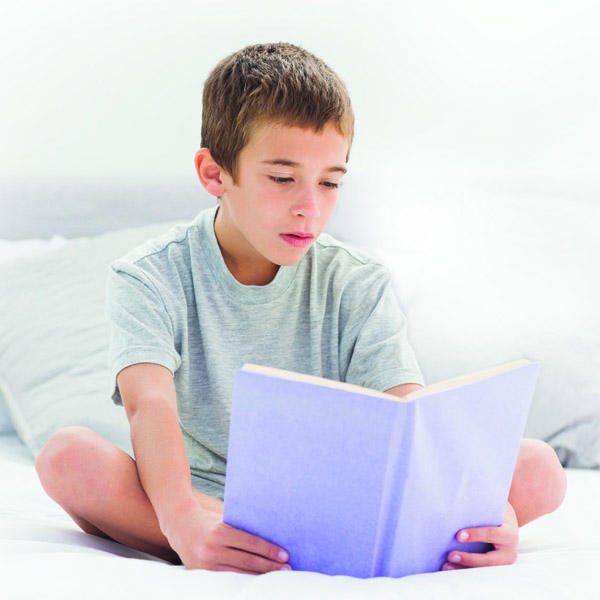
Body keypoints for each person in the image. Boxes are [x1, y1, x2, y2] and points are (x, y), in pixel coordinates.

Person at [35, 42, 566, 575]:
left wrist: (474, 504)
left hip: (338, 502)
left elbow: (408, 411)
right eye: (283, 178)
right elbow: (148, 407)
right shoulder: (148, 275)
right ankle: (219, 541)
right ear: (215, 174)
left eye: (330, 182)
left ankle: (281, 545)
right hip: (200, 499)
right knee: (68, 458)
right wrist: (179, 521)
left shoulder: (358, 282)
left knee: (540, 469)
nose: (310, 208)